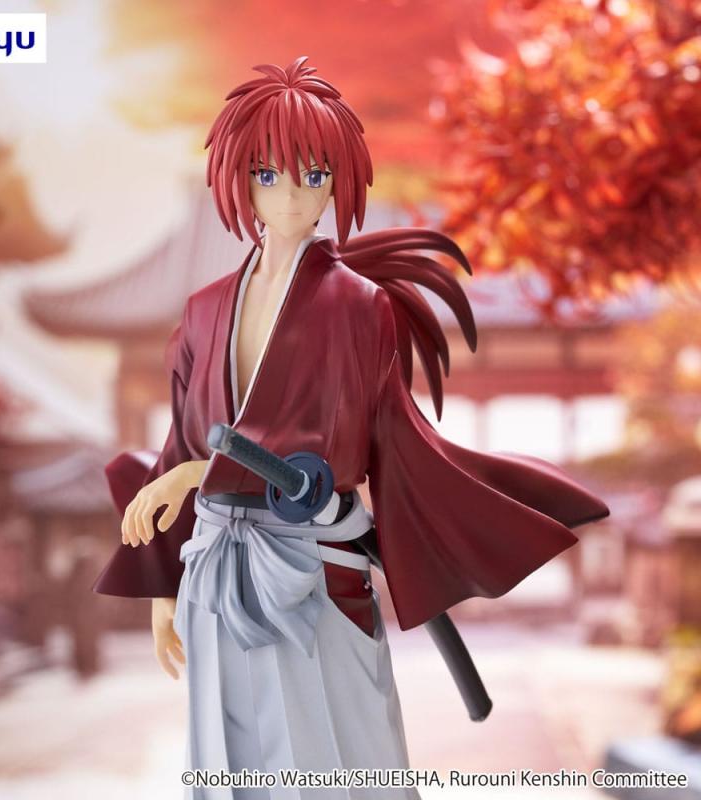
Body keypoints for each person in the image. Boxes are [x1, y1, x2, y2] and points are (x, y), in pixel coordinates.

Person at [93, 57, 609, 798]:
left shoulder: (357, 305)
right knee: (231, 763)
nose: (292, 195)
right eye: (269, 174)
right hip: (214, 567)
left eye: (313, 175)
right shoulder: (205, 309)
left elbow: (329, 447)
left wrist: (199, 474)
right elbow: (182, 439)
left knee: (336, 758)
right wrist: (163, 588)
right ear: (241, 181)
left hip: (309, 563)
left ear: (337, 180)